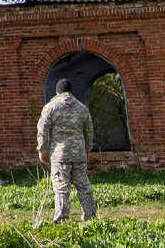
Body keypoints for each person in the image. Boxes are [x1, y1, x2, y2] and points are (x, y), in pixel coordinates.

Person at [36, 78, 97, 222]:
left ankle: (62, 219)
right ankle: (90, 216)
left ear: (57, 92)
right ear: (71, 91)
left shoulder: (51, 107)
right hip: (79, 153)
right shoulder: (82, 108)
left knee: (62, 187)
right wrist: (87, 150)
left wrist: (42, 149)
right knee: (84, 186)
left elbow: (43, 129)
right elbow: (89, 131)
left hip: (60, 154)